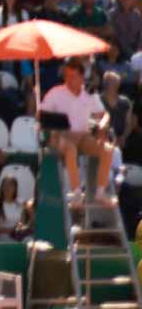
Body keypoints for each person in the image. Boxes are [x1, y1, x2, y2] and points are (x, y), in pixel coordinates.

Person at [40, 58, 113, 203]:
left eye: (72, 76)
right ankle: (76, 191)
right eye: (66, 76)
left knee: (107, 149)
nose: (68, 79)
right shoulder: (55, 93)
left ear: (81, 77)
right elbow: (42, 116)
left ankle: (100, 192)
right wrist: (53, 129)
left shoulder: (89, 93)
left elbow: (104, 114)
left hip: (83, 136)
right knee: (71, 149)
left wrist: (102, 125)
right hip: (61, 136)